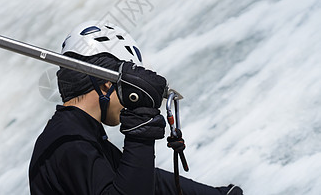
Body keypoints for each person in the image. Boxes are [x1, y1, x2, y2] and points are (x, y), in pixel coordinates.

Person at [29, 21, 243, 195]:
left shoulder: (78, 132)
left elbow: (147, 180)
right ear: (106, 84)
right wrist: (141, 136)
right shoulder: (70, 142)